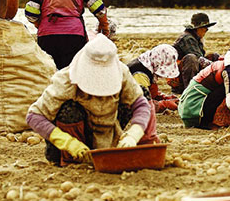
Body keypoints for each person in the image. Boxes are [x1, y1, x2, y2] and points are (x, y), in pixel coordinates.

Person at [26, 34, 158, 166]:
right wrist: (66, 141)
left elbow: (140, 104)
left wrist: (135, 133)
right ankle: (73, 160)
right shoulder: (67, 79)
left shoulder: (121, 72)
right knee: (69, 109)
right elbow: (34, 116)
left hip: (110, 130)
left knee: (143, 93)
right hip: (75, 141)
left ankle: (145, 146)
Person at [169, 13, 220, 94]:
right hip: (179, 78)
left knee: (214, 56)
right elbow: (199, 59)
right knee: (191, 58)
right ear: (198, 28)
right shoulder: (187, 38)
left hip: (191, 71)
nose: (206, 31)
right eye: (205, 28)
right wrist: (216, 67)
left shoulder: (196, 38)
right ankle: (190, 91)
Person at [126, 44, 180, 113]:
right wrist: (165, 104)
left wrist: (164, 97)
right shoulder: (140, 74)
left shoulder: (148, 65)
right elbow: (142, 104)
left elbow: (148, 92)